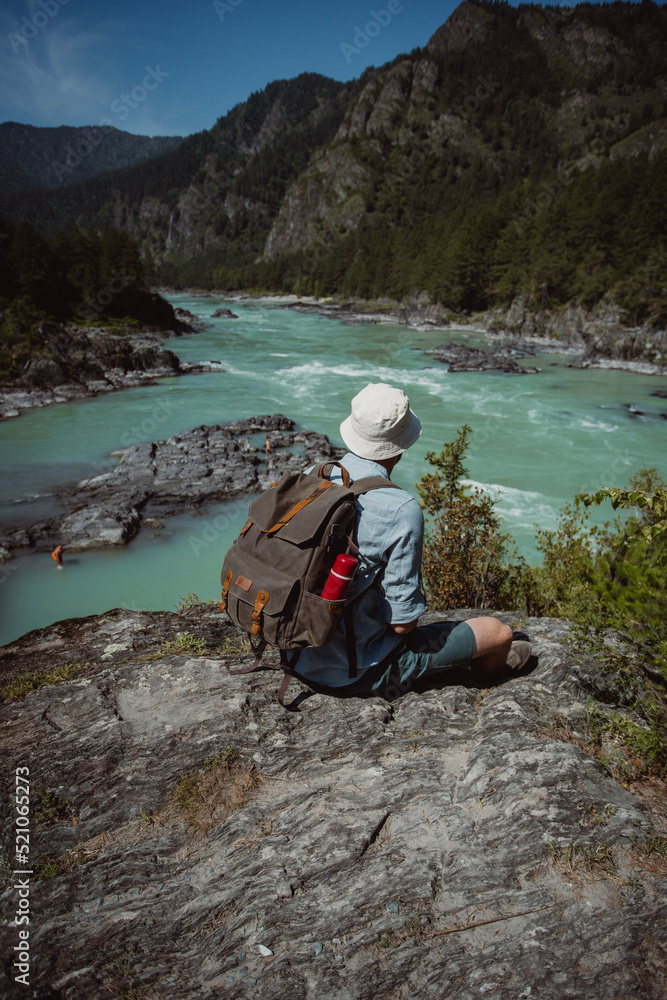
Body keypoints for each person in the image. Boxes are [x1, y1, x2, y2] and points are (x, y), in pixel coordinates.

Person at [294, 382, 532, 698]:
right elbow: (403, 625)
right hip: (355, 673)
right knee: (499, 633)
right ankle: (489, 684)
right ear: (401, 444)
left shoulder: (317, 474)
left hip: (295, 652)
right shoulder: (400, 509)